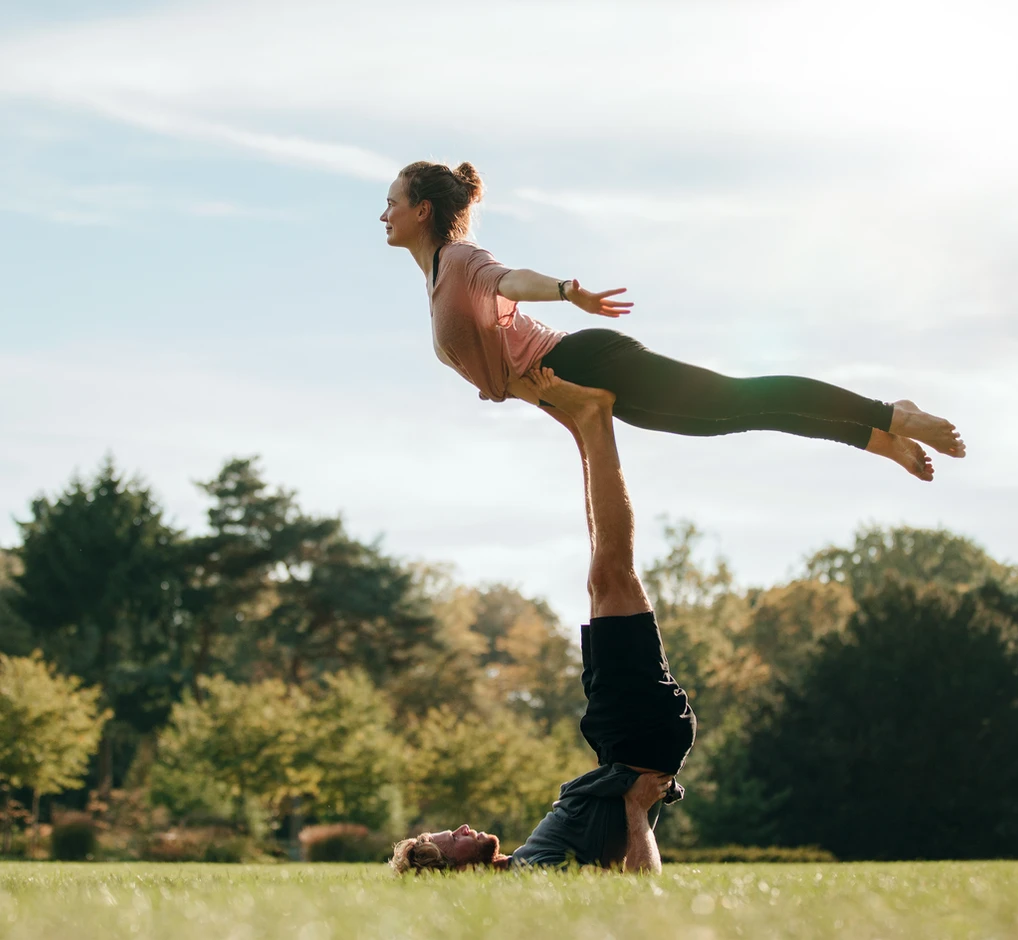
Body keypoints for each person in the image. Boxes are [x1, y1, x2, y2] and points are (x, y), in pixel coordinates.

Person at [381, 160, 966, 483]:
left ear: (423, 210)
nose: (385, 214)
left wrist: (566, 291)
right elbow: (506, 369)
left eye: (393, 202)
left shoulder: (459, 261)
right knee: (744, 416)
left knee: (741, 396)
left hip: (585, 360)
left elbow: (511, 280)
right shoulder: (435, 284)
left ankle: (893, 414)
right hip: (575, 390)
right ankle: (876, 439)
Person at [390, 369, 696, 875]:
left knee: (601, 577)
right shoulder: (527, 878)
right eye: (451, 841)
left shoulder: (521, 862)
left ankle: (584, 431)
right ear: (455, 871)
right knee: (613, 574)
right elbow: (641, 884)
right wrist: (638, 810)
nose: (463, 828)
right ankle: (593, 421)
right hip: (642, 736)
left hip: (616, 740)